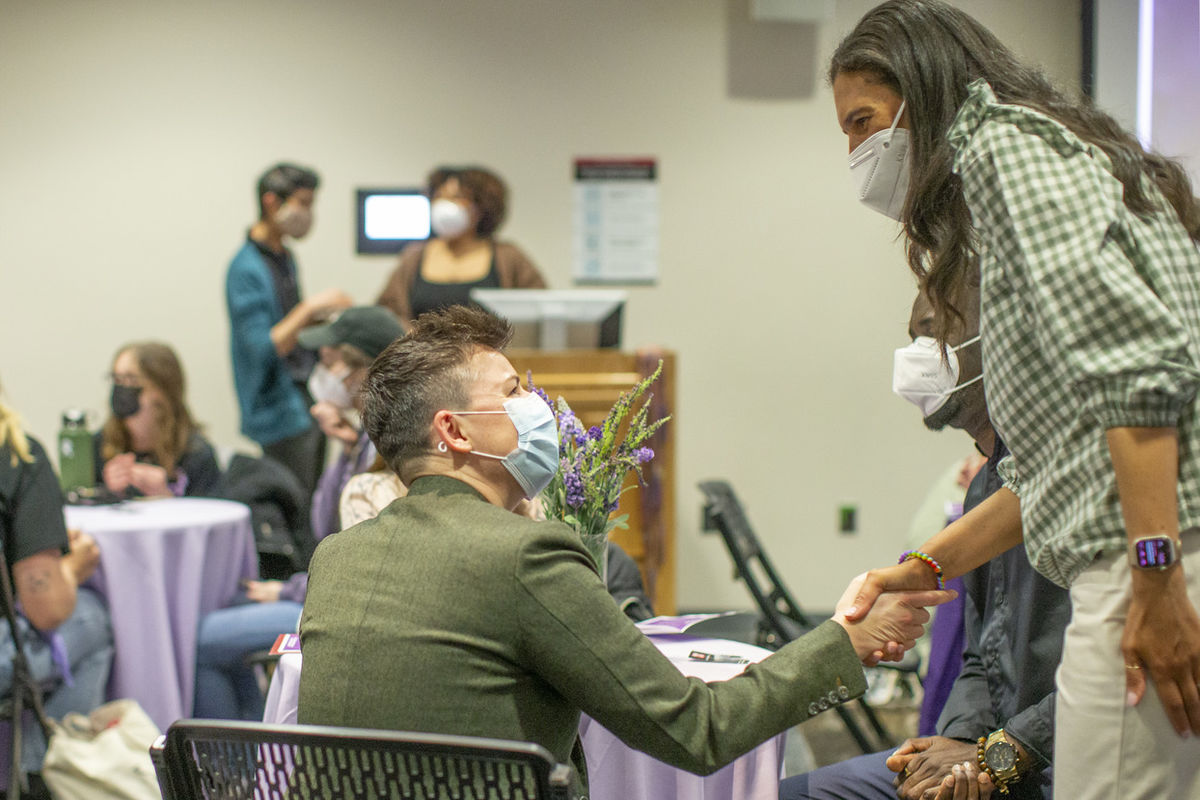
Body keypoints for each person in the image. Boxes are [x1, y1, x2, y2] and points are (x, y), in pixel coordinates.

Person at [298, 306, 954, 788]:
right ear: (454, 431)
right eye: (513, 392)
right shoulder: (523, 556)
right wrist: (844, 640)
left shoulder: (338, 558)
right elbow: (697, 730)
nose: (538, 405)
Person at [830, 2, 1200, 797]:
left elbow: (1137, 375)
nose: (857, 153)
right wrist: (926, 566)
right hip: (1138, 552)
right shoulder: (1027, 159)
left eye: (864, 122)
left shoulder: (1002, 151)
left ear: (921, 89)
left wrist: (1157, 577)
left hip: (1149, 555)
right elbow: (1050, 472)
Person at [781, 293, 1069, 800]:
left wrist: (991, 759)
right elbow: (980, 656)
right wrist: (955, 745)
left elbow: (1111, 676)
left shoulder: (1085, 491)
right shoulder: (987, 487)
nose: (918, 356)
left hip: (1057, 766)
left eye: (935, 336)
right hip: (991, 758)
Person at [0, 383, 113, 779]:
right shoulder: (15, 456)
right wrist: (73, 568)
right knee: (93, 617)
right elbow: (46, 609)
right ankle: (46, 775)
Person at [226, 162, 352, 496]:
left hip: (304, 399)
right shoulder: (245, 269)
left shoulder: (285, 258)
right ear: (271, 202)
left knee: (313, 497)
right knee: (296, 504)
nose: (309, 214)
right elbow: (263, 347)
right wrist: (311, 307)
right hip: (278, 409)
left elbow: (293, 331)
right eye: (303, 203)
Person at [375, 165, 546, 328]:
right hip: (426, 356)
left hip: (489, 356)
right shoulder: (414, 256)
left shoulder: (508, 257)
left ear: (481, 207)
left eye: (457, 197)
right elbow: (388, 313)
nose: (443, 204)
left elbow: (539, 309)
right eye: (439, 196)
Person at [296, 305, 405, 542]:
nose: (321, 374)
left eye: (328, 363)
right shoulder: (366, 433)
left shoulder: (393, 438)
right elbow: (325, 525)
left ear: (363, 370)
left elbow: (341, 534)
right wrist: (349, 447)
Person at [94, 341, 220, 498]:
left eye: (131, 379)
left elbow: (211, 516)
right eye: (117, 379)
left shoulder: (196, 454)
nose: (121, 389)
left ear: (161, 389)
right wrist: (108, 493)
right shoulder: (99, 445)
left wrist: (164, 495)